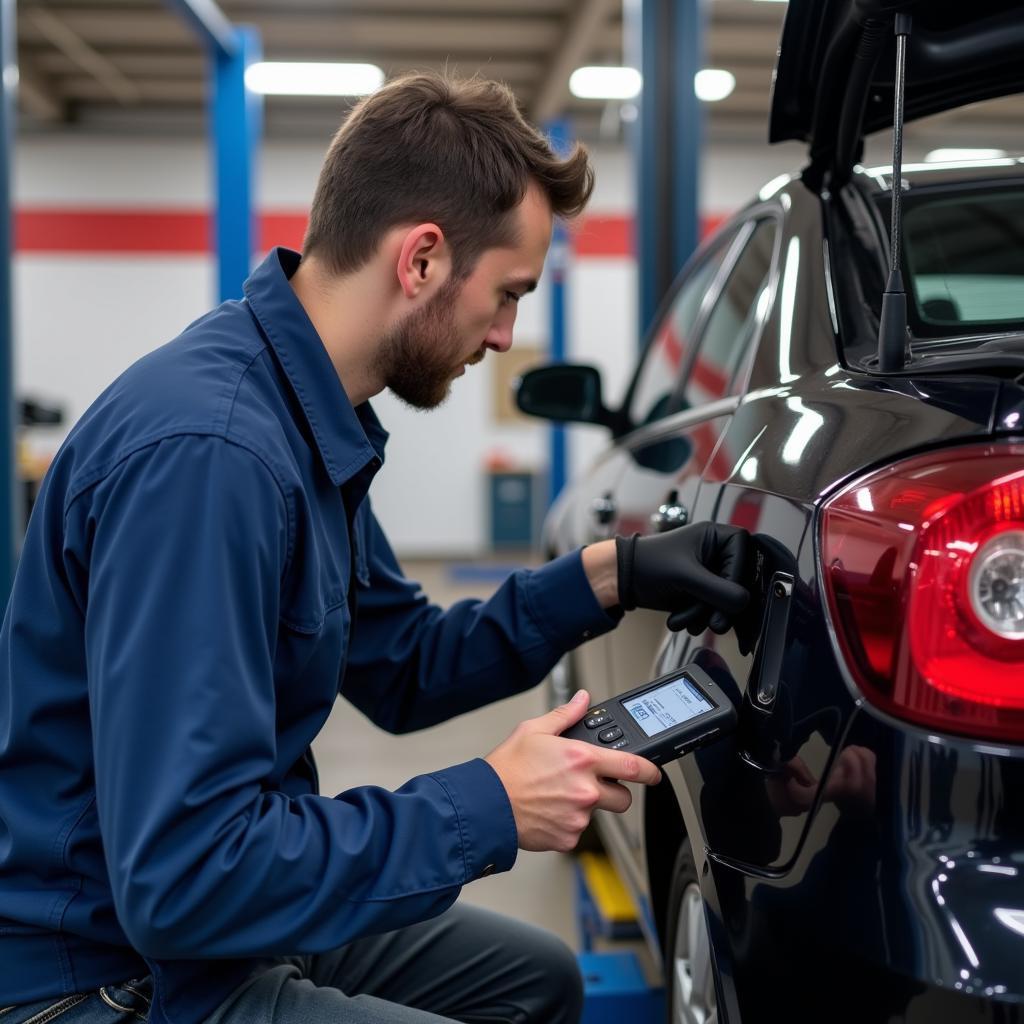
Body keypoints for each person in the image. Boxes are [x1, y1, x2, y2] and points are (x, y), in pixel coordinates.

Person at [0, 72, 749, 1024]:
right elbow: (182, 875)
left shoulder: (306, 416)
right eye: (509, 293)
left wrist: (611, 575)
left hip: (217, 921)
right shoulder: (215, 456)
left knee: (540, 982)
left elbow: (403, 667)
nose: (508, 333)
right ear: (424, 259)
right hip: (107, 973)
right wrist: (486, 803)